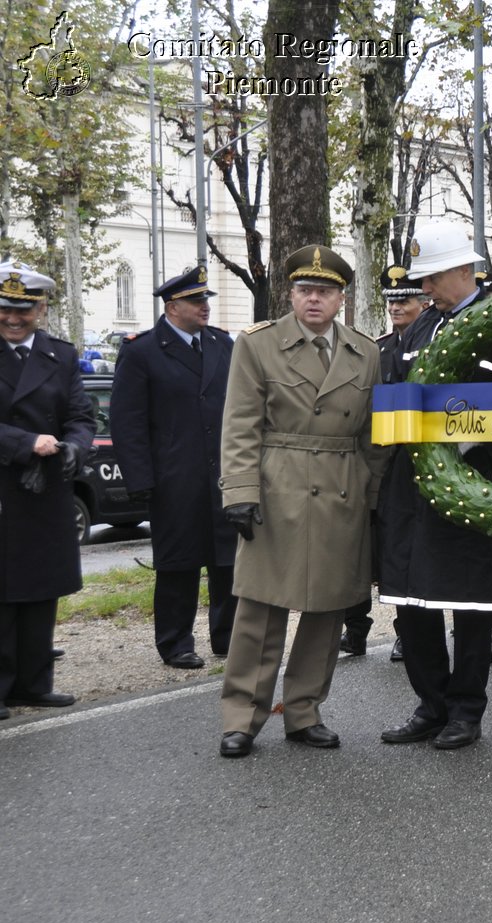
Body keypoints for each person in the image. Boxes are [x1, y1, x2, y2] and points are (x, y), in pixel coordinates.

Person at [216, 246, 385, 758]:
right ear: (290, 294)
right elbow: (240, 424)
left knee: (326, 610)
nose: (315, 299)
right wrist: (240, 493)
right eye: (305, 290)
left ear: (342, 299)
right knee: (259, 609)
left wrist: (371, 499)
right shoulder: (258, 345)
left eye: (326, 291)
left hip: (340, 488)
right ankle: (243, 717)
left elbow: (373, 437)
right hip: (277, 484)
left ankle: (304, 711)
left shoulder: (365, 352)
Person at [376, 221, 492, 751]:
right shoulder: (420, 328)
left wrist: (477, 441)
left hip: (472, 482)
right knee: (410, 599)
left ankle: (466, 709)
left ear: (466, 270)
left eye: (433, 278)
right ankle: (431, 703)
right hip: (410, 486)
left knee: (468, 604)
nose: (425, 290)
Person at [111, 265, 237, 670]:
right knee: (178, 564)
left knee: (227, 561)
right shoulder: (142, 350)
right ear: (172, 306)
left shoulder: (222, 344)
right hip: (173, 478)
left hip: (223, 475)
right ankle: (176, 642)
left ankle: (228, 637)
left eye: (206, 300)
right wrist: (140, 480)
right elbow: (126, 421)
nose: (205, 307)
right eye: (196, 301)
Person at [0, 262, 93, 716]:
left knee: (41, 586)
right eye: (4, 311)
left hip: (46, 487)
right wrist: (25, 444)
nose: (13, 320)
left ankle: (34, 682)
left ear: (40, 308)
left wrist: (76, 446)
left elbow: (80, 414)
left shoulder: (61, 354)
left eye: (23, 310)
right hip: (5, 484)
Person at [342, 262, 426, 659]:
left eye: (404, 300)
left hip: (415, 467)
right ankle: (355, 628)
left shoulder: (433, 347)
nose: (395, 308)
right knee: (363, 551)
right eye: (391, 301)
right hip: (375, 465)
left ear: (423, 303)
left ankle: (405, 631)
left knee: (402, 555)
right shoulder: (376, 350)